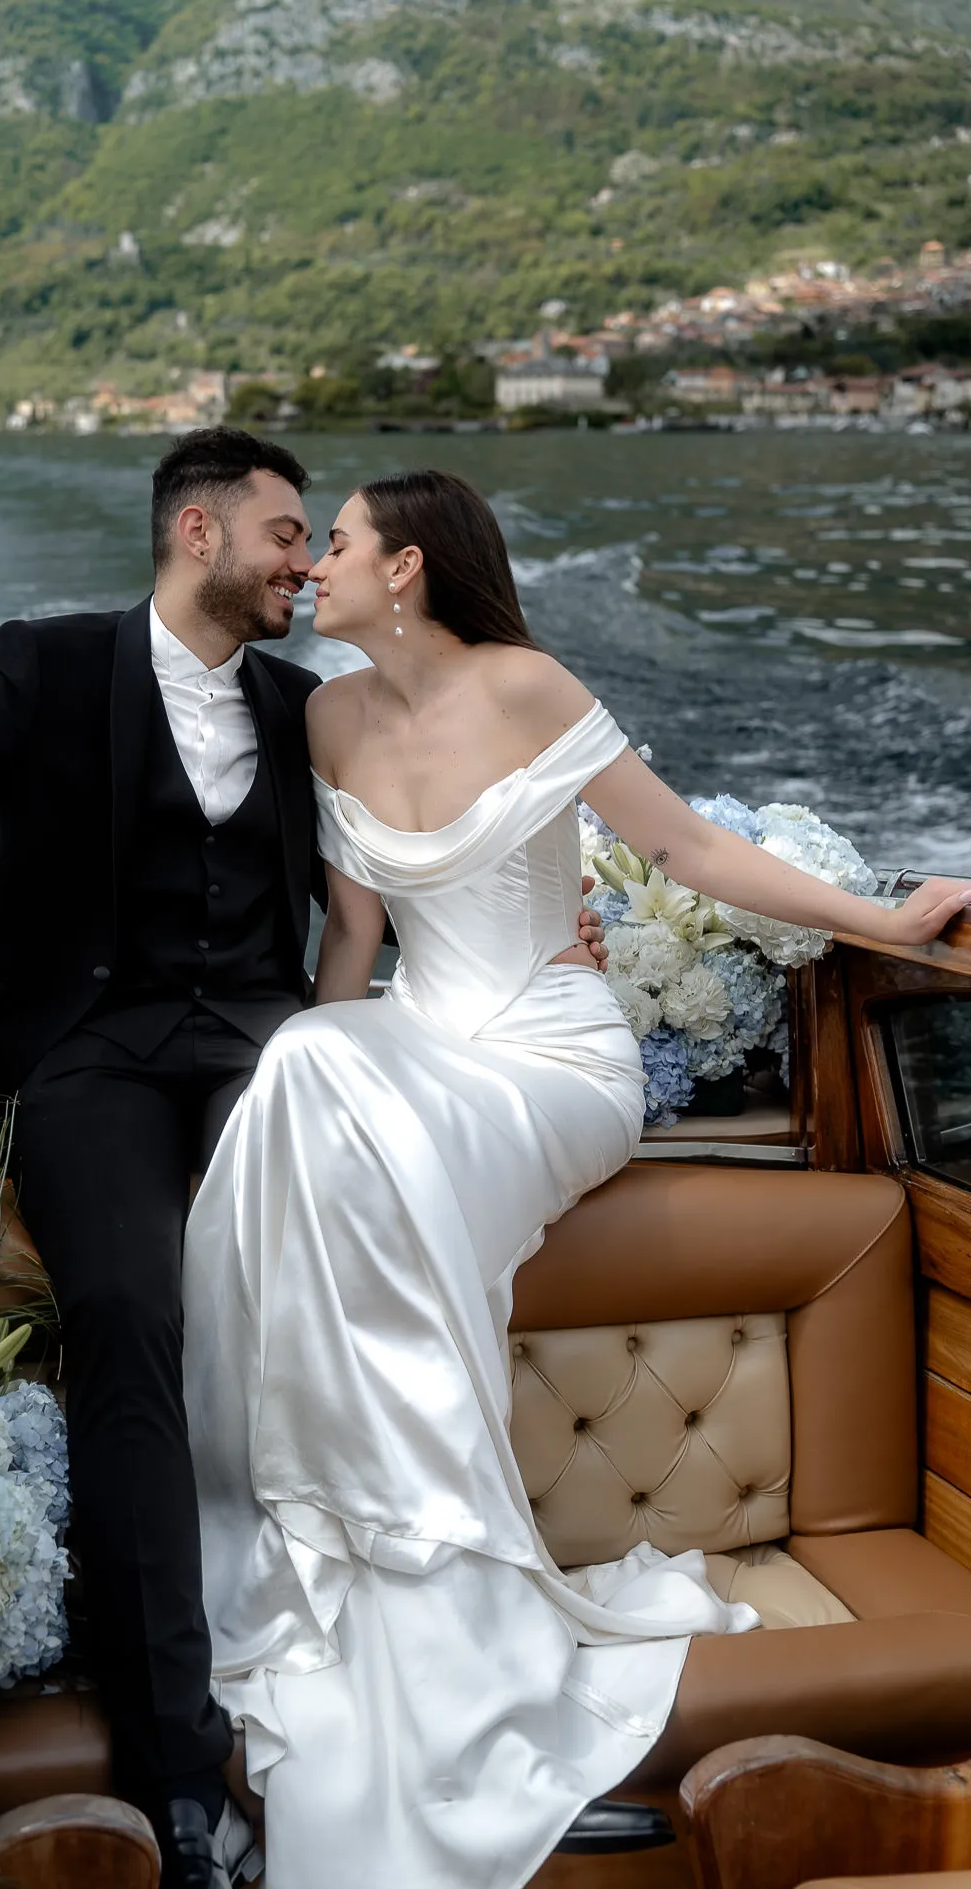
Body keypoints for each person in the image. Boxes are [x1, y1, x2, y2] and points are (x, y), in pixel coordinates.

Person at [0, 432, 612, 1888]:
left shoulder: (307, 705)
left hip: (262, 1041)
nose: (307, 563)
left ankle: (404, 1647)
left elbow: (393, 894)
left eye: (321, 542)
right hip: (88, 1052)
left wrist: (565, 939)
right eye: (286, 535)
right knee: (128, 1314)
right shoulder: (48, 670)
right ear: (199, 531)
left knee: (335, 1265)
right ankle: (177, 1776)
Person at [181, 468, 971, 1889]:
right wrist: (300, 1056)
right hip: (416, 1039)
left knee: (315, 1067)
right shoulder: (324, 715)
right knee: (306, 1060)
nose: (314, 571)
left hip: (554, 1054)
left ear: (408, 568)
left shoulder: (529, 687)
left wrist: (883, 916)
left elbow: (686, 848)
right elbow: (354, 937)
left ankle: (425, 1582)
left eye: (338, 545)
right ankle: (347, 1552)